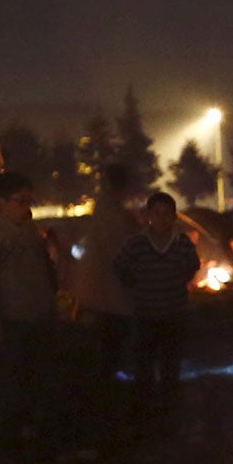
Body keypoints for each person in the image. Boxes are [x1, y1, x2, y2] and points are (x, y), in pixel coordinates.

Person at [0, 170, 59, 444]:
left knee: (36, 380)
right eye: (20, 201)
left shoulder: (28, 230)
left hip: (38, 317)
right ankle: (8, 438)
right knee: (12, 384)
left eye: (29, 201)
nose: (26, 207)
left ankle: (34, 432)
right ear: (0, 201)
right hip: (12, 322)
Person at [113, 190, 200, 422]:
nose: (162, 219)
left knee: (171, 365)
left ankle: (168, 409)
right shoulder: (137, 244)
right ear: (148, 216)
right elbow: (120, 267)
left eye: (167, 214)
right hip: (145, 313)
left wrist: (177, 281)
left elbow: (193, 265)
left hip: (174, 313)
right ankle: (144, 411)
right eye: (157, 213)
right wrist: (135, 285)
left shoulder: (182, 243)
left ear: (173, 217)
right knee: (145, 366)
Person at [74, 162, 139, 386]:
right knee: (111, 345)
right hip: (111, 296)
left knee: (107, 345)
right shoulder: (116, 218)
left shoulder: (101, 213)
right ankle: (109, 390)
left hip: (98, 294)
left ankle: (106, 384)